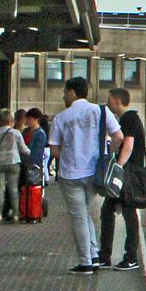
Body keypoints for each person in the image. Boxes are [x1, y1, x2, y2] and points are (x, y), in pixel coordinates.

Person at [48, 77, 125, 274]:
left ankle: (86, 262)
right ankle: (94, 255)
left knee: (79, 217)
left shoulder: (61, 118)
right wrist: (106, 155)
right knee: (85, 213)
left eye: (65, 92)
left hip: (70, 174)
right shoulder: (101, 111)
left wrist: (69, 155)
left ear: (72, 92)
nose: (64, 96)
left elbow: (54, 150)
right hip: (95, 173)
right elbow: (118, 137)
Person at [98, 87, 146, 270]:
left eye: (109, 100)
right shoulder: (129, 118)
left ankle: (129, 257)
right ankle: (108, 256)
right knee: (112, 211)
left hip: (127, 174)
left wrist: (117, 166)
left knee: (126, 212)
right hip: (128, 172)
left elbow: (128, 145)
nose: (108, 103)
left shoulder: (128, 118)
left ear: (117, 101)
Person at [0, 109, 29, 223]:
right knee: (13, 189)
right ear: (11, 121)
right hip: (13, 162)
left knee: (0, 190)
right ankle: (15, 215)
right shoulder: (16, 133)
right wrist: (31, 152)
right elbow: (24, 149)